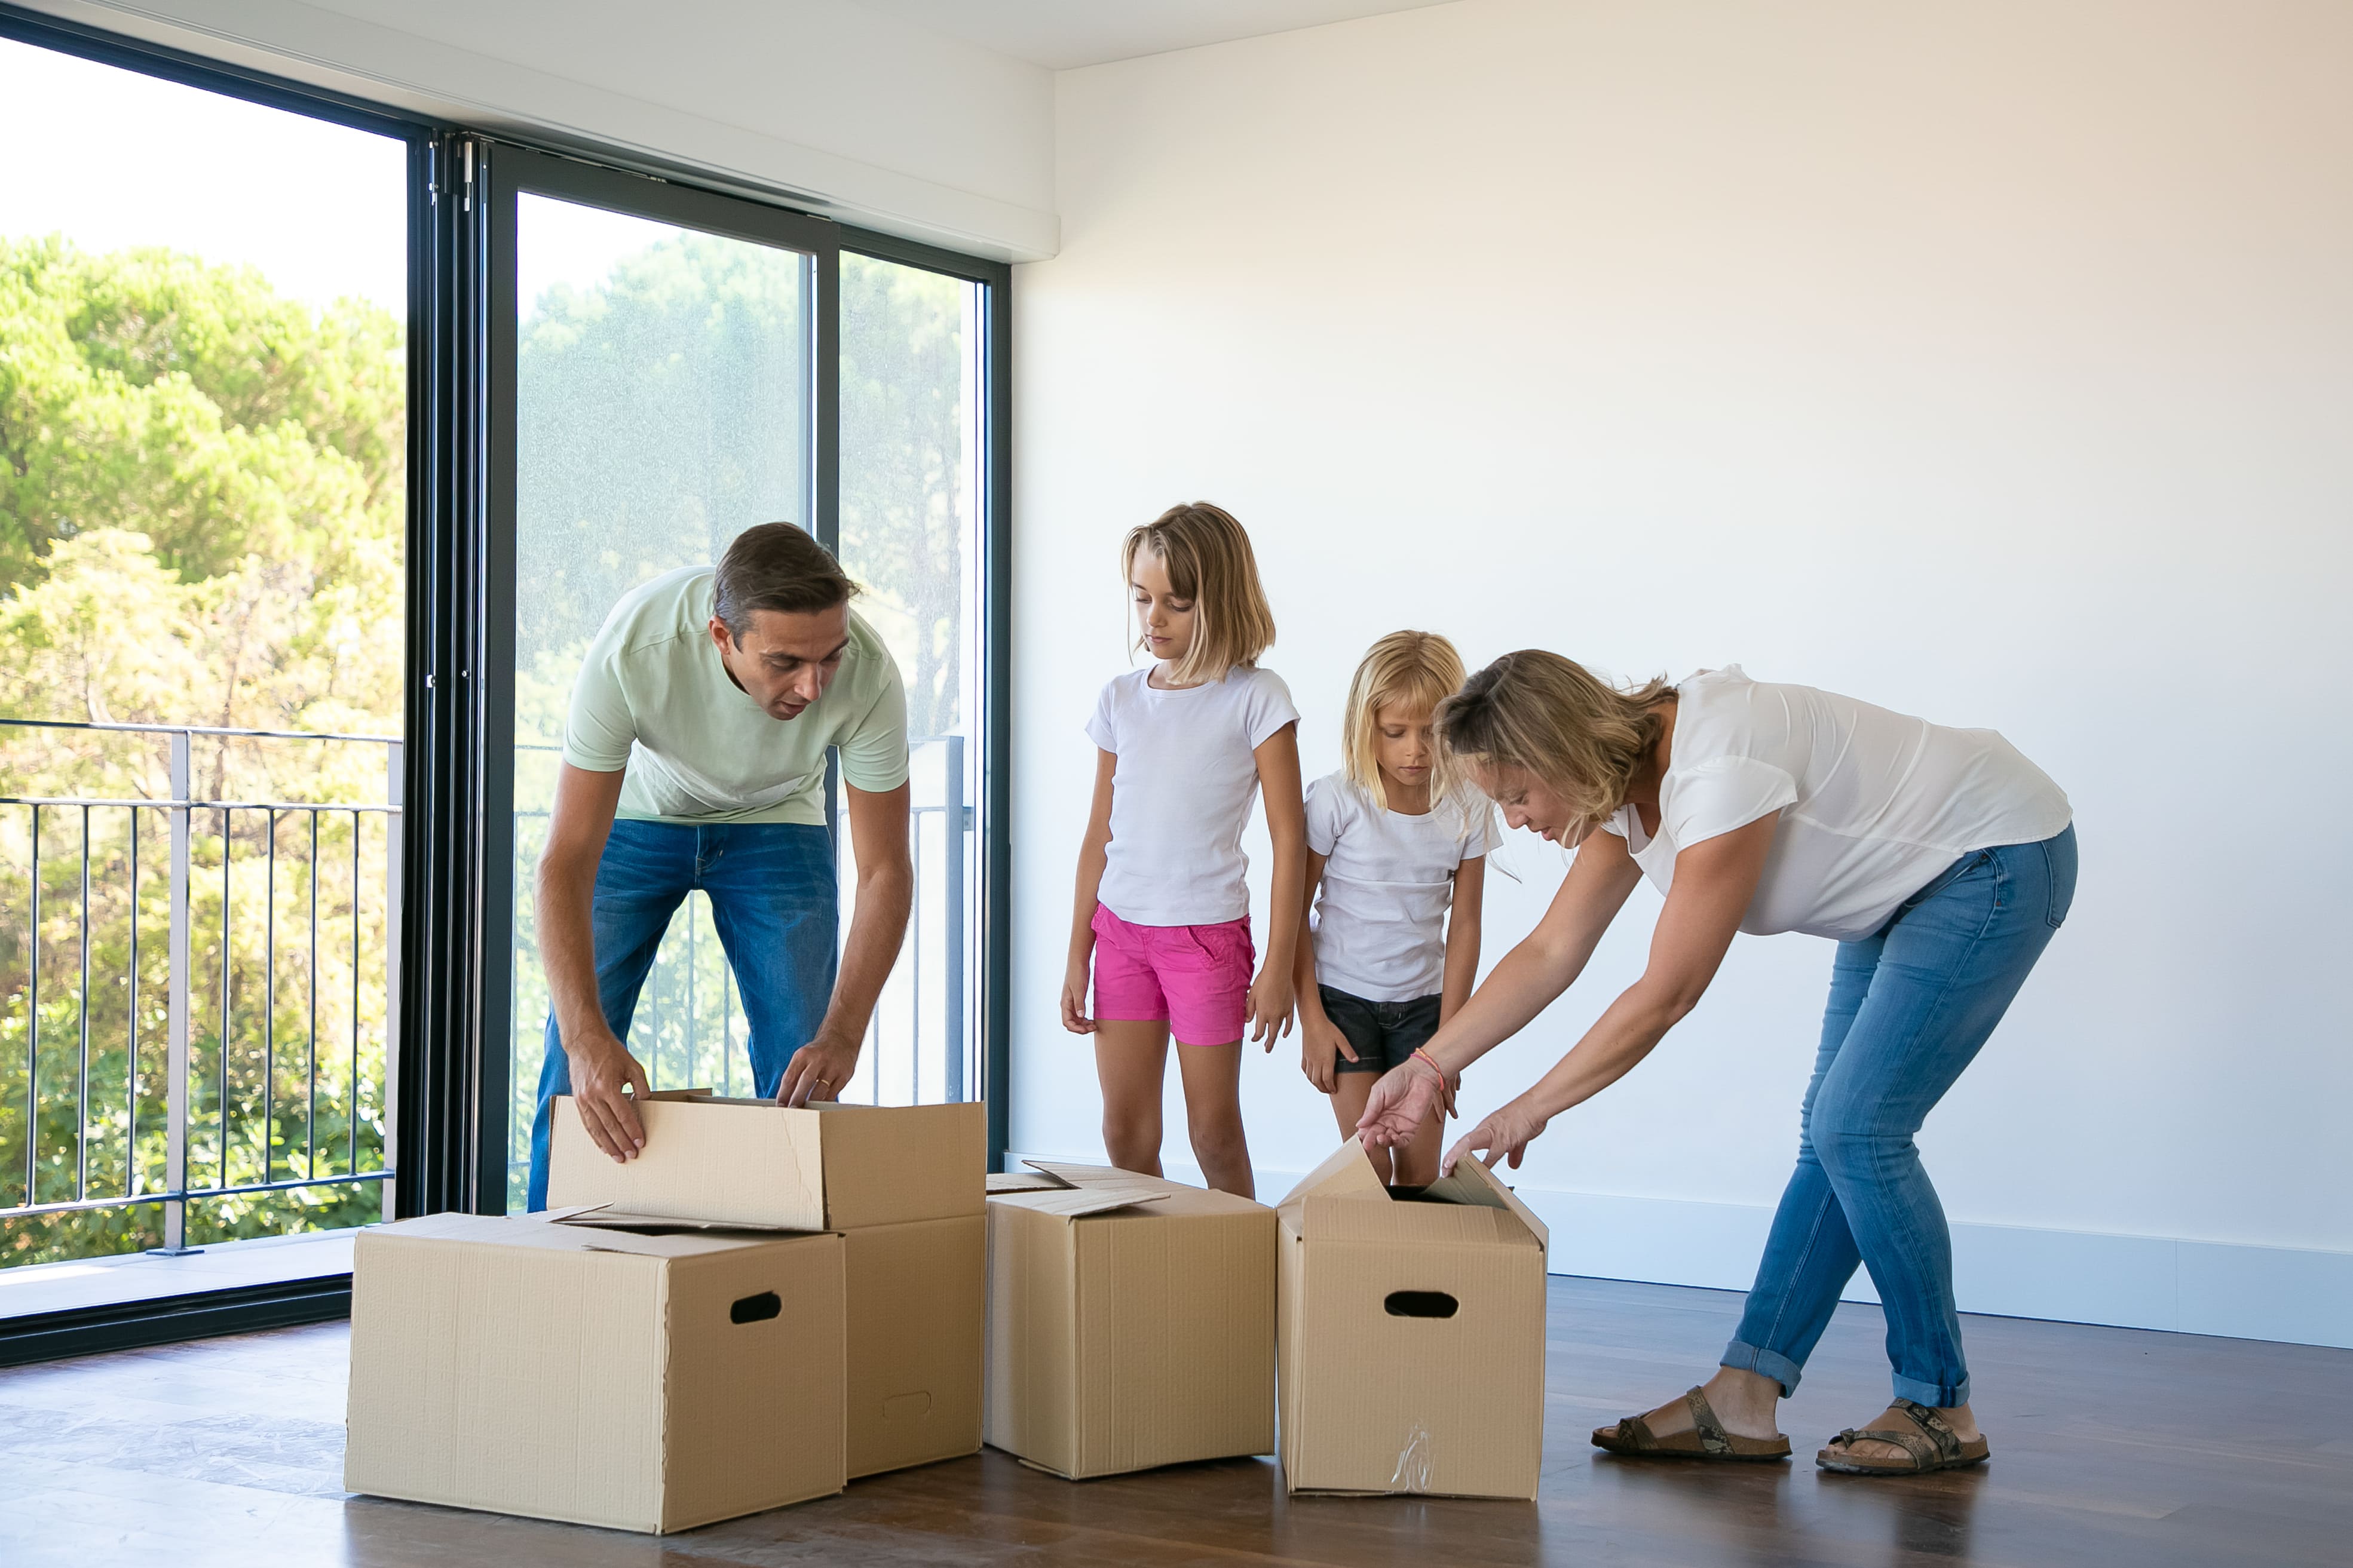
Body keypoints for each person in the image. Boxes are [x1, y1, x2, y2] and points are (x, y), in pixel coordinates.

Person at [1359, 655, 2075, 1476]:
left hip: (1991, 857)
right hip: (1905, 886)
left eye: (1517, 794)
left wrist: (1531, 1106)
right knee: (1836, 1136)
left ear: (1560, 754)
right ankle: (1744, 1395)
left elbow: (1666, 993)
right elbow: (1552, 950)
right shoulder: (1623, 789)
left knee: (1858, 1129)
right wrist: (1426, 1064)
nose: (1515, 819)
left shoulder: (1715, 771)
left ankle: (1939, 1400)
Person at [525, 522, 913, 1210]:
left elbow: (884, 870)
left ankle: (792, 1275)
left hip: (777, 821)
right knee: (575, 1059)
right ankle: (553, 1264)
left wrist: (845, 1033)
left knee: (808, 1067)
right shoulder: (635, 647)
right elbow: (565, 859)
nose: (815, 686)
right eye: (786, 662)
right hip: (642, 817)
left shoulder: (870, 675)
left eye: (829, 657)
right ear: (720, 638)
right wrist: (589, 1037)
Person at [1059, 502, 1306, 1198]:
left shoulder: (1257, 697)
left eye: (1176, 602)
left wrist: (1280, 966)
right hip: (1122, 937)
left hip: (1205, 940)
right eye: (1142, 599)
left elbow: (1289, 840)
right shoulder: (1119, 699)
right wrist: (1078, 952)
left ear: (1220, 601)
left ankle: (1240, 1278)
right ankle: (1154, 1274)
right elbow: (1096, 837)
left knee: (1213, 1134)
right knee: (1125, 1134)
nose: (1153, 619)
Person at [1292, 631, 1493, 1187]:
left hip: (1426, 1011)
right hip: (1344, 1006)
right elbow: (1293, 913)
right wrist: (1311, 1017)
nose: (1415, 750)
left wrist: (1451, 1041)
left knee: (1419, 1170)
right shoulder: (1336, 800)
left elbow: (1467, 923)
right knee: (1371, 1163)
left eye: (1431, 732)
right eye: (1395, 732)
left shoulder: (1469, 804)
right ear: (1366, 727)